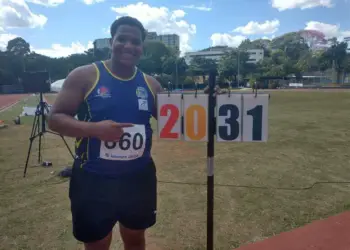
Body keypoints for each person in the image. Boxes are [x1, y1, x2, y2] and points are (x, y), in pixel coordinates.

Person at [48, 16, 219, 250]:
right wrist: (95, 130)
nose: (128, 46)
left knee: (136, 239)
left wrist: (205, 102)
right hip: (93, 178)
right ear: (111, 42)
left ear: (142, 48)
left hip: (138, 178)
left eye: (135, 42)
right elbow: (55, 120)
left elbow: (179, 123)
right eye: (122, 39)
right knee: (97, 243)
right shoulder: (85, 75)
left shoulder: (151, 84)